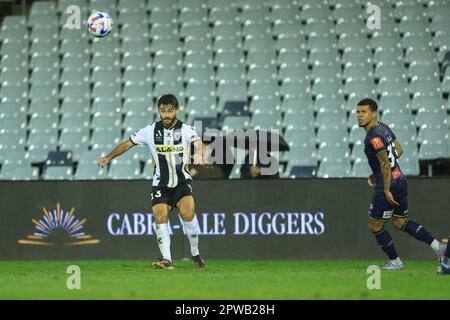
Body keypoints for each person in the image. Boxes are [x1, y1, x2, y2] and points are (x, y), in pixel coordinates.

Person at [97, 94, 207, 270]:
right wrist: (108, 157)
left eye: (170, 111)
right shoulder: (149, 131)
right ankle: (167, 260)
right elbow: (127, 144)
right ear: (159, 111)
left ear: (177, 111)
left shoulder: (186, 129)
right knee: (160, 216)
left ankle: (195, 253)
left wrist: (200, 153)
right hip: (160, 184)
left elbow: (199, 142)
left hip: (182, 182)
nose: (166, 115)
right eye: (163, 111)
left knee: (188, 214)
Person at [357, 98, 446, 270]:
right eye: (358, 112)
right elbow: (398, 149)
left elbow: (384, 163)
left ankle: (396, 262)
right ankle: (438, 247)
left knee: (375, 225)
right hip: (400, 180)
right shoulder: (384, 128)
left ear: (373, 113)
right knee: (399, 222)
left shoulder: (372, 137)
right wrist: (376, 172)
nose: (359, 116)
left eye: (364, 112)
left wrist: (386, 188)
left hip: (389, 184)